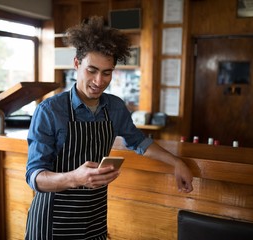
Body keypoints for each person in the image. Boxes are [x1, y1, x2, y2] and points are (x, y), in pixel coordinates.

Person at [25, 16, 193, 240]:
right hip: (53, 221)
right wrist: (76, 177)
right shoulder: (49, 111)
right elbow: (34, 176)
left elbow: (139, 142)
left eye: (107, 72)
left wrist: (177, 162)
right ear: (77, 64)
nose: (99, 81)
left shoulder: (114, 107)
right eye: (91, 70)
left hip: (93, 217)